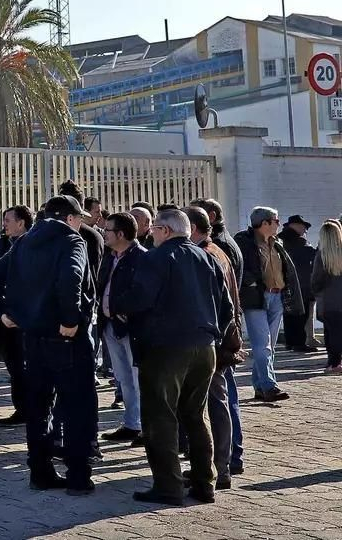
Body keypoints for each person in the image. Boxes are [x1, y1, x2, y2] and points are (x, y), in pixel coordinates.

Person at [112, 207, 232, 506]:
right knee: (196, 415)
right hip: (204, 347)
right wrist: (212, 333)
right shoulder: (207, 257)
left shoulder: (156, 258)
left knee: (160, 417)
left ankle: (168, 486)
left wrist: (119, 305)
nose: (151, 233)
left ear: (165, 230)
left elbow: (140, 298)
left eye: (154, 228)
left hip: (165, 348)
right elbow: (227, 307)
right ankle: (204, 483)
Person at [0, 195, 97, 494]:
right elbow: (71, 278)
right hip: (66, 338)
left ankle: (40, 472)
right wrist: (70, 319)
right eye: (79, 219)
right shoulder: (71, 241)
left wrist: (2, 312)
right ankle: (78, 476)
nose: (80, 224)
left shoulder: (25, 242)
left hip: (33, 337)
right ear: (70, 218)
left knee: (39, 408)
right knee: (77, 406)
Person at [186, 205, 242, 491]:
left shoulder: (207, 255)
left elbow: (219, 303)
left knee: (215, 405)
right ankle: (218, 464)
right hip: (218, 338)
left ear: (193, 228)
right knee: (217, 402)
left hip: (212, 341)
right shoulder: (215, 251)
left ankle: (219, 467)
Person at [234, 206, 304, 402]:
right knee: (262, 344)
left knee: (269, 346)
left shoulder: (277, 242)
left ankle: (259, 386)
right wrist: (251, 282)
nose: (279, 224)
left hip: (276, 296)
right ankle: (269, 386)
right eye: (276, 221)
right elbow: (238, 266)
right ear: (264, 223)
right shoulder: (244, 242)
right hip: (256, 297)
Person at [97, 211, 144, 444]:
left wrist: (125, 310)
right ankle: (131, 423)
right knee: (122, 377)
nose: (104, 233)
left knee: (137, 378)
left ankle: (145, 426)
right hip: (110, 325)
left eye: (108, 230)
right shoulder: (110, 256)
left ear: (121, 234)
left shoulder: (141, 258)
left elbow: (142, 293)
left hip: (132, 328)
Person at [0, 205, 33, 427]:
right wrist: (0, 310)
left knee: (29, 366)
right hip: (8, 317)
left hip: (30, 318)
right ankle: (22, 409)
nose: (4, 224)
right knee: (14, 365)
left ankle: (34, 409)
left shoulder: (34, 245)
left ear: (21, 223)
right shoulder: (0, 242)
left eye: (8, 220)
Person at [279, 215, 318, 352]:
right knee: (301, 314)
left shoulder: (283, 240)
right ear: (295, 226)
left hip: (288, 283)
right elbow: (309, 256)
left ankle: (290, 342)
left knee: (289, 314)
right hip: (301, 284)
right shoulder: (298, 242)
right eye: (303, 227)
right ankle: (299, 343)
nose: (305, 230)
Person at [311, 220, 342, 374]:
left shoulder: (322, 256)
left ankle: (334, 362)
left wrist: (315, 292)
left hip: (328, 303)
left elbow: (316, 281)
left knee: (331, 333)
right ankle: (335, 362)